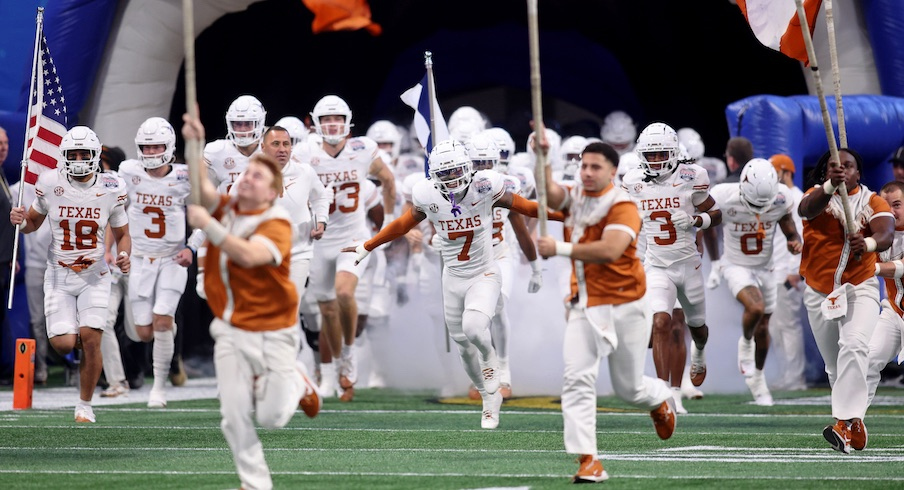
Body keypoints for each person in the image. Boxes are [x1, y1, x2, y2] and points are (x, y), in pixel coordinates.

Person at [344, 139, 556, 429]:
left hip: (485, 271)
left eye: (456, 171)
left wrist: (564, 213)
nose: (451, 179)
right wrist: (368, 245)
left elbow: (526, 208)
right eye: (444, 173)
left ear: (468, 169)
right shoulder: (427, 193)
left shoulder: (486, 186)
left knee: (474, 328)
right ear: (434, 175)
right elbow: (404, 224)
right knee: (461, 344)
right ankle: (488, 399)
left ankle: (493, 362)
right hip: (452, 277)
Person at [182, 114, 321, 490]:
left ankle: (298, 379)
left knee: (272, 417)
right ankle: (255, 482)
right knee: (232, 414)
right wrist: (193, 145)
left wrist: (207, 226)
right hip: (230, 325)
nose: (247, 178)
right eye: (246, 174)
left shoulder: (277, 222)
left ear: (273, 191)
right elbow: (205, 192)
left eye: (258, 177)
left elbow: (248, 256)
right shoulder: (232, 206)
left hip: (273, 329)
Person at [536, 139, 676, 483]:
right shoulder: (577, 195)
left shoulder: (624, 204)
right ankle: (588, 460)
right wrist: (545, 158)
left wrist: (560, 247)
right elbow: (550, 194)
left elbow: (611, 250)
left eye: (595, 167)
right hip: (586, 303)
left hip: (628, 303)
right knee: (577, 379)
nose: (587, 172)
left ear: (613, 171)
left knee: (629, 389)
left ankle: (659, 399)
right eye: (583, 166)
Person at [9, 126, 132, 423]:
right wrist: (21, 222)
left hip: (95, 273)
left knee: (91, 337)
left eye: (84, 154)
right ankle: (85, 336)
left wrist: (124, 254)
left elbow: (123, 232)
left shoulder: (111, 187)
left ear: (95, 156)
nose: (78, 159)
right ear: (63, 156)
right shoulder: (51, 182)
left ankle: (85, 405)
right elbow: (33, 225)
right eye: (73, 154)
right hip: (59, 273)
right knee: (64, 343)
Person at [798, 147, 893, 454]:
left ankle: (842, 422)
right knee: (834, 367)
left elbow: (886, 233)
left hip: (859, 288)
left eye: (848, 166)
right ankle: (855, 422)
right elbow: (805, 210)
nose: (842, 170)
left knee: (853, 347)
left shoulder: (871, 201)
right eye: (834, 166)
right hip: (818, 291)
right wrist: (829, 186)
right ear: (827, 172)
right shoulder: (816, 195)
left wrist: (866, 243)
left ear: (858, 173)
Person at [300, 95, 395, 401]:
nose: (332, 125)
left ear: (348, 122)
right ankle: (331, 371)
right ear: (315, 122)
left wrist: (391, 222)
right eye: (327, 119)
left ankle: (350, 356)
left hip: (353, 237)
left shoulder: (362, 149)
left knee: (344, 292)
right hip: (318, 240)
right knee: (326, 309)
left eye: (338, 119)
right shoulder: (304, 153)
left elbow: (388, 180)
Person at [621, 123, 721, 391]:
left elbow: (717, 214)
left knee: (698, 328)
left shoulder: (692, 177)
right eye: (650, 155)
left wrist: (695, 220)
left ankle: (699, 352)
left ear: (674, 153)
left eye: (661, 154)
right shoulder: (633, 182)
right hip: (656, 265)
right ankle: (663, 392)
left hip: (689, 265)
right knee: (660, 322)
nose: (655, 161)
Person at [706, 158, 802, 406]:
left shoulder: (781, 198)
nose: (759, 211)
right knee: (755, 308)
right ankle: (745, 344)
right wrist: (716, 262)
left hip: (766, 267)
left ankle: (758, 378)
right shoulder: (724, 196)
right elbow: (707, 226)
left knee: (763, 327)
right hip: (736, 264)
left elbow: (789, 228)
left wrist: (794, 241)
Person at [117, 117, 194, 407]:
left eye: (156, 147)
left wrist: (192, 247)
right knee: (144, 332)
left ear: (170, 146)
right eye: (146, 148)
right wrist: (112, 249)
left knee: (162, 319)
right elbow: (116, 213)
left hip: (172, 258)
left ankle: (158, 389)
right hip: (139, 258)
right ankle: (169, 344)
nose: (150, 153)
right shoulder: (128, 172)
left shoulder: (184, 176)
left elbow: (203, 214)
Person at [464, 133, 543, 399]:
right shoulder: (456, 187)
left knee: (496, 308)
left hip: (499, 255)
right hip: (469, 260)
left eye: (488, 162)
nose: (483, 169)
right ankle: (484, 373)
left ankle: (504, 373)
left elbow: (521, 229)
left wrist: (535, 266)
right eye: (478, 162)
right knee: (471, 319)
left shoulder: (506, 185)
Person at [767, 154, 808, 391]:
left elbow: (801, 238)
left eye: (776, 172)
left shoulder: (796, 199)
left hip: (788, 273)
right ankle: (786, 373)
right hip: (776, 272)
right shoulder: (779, 198)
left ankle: (795, 377)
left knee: (789, 326)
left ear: (787, 172)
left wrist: (795, 271)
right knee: (776, 327)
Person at [868, 180, 904, 406]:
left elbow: (901, 267)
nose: (891, 211)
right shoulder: (880, 232)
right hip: (894, 309)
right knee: (867, 361)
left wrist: (874, 268)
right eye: (886, 205)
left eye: (897, 204)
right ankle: (850, 424)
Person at [0, 126, 15, 384]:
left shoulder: (2, 175)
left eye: (5, 144)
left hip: (3, 260)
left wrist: (14, 256)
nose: (2, 148)